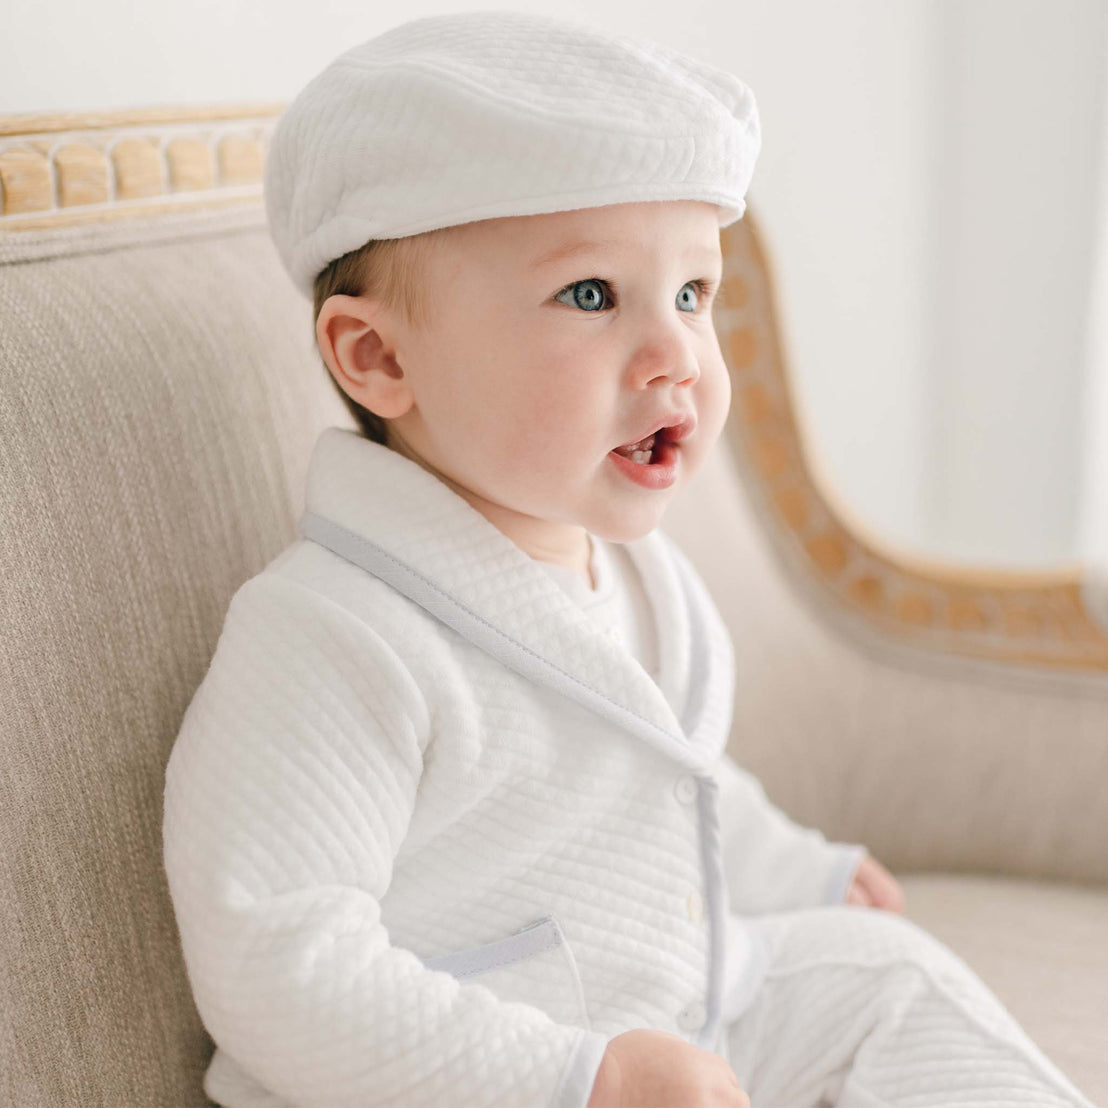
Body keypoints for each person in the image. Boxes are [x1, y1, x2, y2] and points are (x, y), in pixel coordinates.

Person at [161, 11, 1097, 1108]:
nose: (677, 358)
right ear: (378, 356)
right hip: (487, 1075)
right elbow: (277, 958)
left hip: (674, 1020)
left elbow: (677, 787)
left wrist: (800, 874)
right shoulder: (332, 636)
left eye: (693, 295)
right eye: (593, 295)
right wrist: (573, 1075)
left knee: (887, 979)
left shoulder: (636, 574)